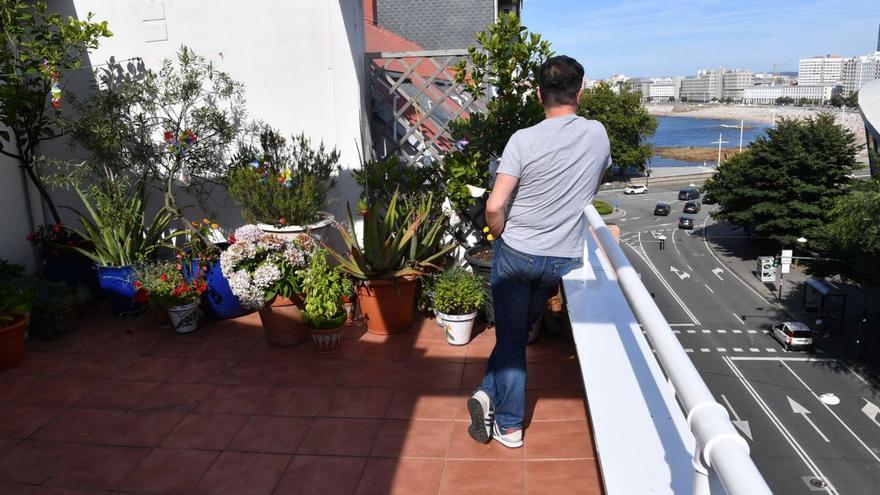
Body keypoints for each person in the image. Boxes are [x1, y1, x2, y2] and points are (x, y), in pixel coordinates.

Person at [467, 55, 612, 448]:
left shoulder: (523, 140)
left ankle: (510, 425)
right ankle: (485, 394)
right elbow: (593, 185)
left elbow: (495, 206)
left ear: (538, 95)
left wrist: (498, 237)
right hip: (561, 257)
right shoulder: (598, 135)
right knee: (516, 333)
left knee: (512, 340)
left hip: (517, 252)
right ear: (580, 92)